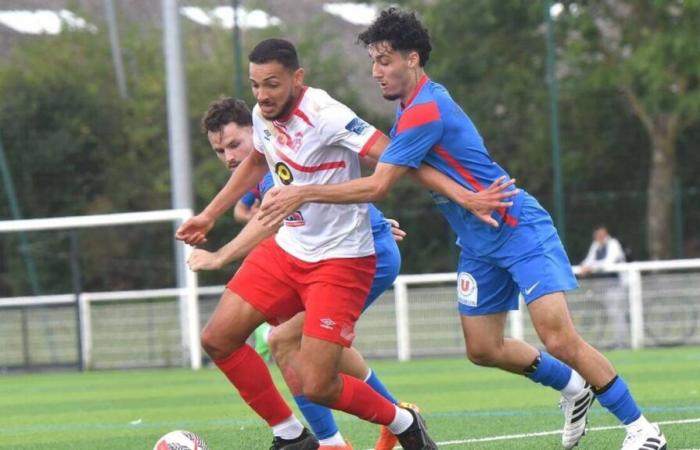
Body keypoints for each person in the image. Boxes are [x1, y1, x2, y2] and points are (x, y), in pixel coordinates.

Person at [258, 9, 667, 450]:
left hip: (515, 227)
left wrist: (303, 193)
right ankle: (572, 388)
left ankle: (643, 429)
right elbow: (410, 174)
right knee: (483, 348)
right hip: (477, 241)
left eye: (385, 60)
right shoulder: (410, 112)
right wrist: (457, 199)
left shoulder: (424, 111)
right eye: (373, 61)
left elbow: (380, 184)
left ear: (412, 59)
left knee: (559, 337)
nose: (376, 72)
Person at [176, 38, 512, 449]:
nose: (262, 96)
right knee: (219, 338)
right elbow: (258, 159)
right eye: (255, 85)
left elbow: (395, 157)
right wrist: (210, 214)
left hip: (341, 262)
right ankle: (291, 436)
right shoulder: (262, 117)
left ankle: (402, 421)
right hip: (289, 250)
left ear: (297, 78)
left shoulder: (327, 114)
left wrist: (463, 195)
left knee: (317, 382)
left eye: (272, 84)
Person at [187, 96, 411, 450]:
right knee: (306, 347)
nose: (229, 156)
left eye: (234, 144)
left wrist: (219, 256)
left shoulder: (276, 154)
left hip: (361, 256)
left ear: (255, 132)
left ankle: (336, 440)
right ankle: (393, 419)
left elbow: (272, 219)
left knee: (284, 341)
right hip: (325, 256)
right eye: (219, 150)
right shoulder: (263, 170)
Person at [580, 225, 629, 348]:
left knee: (617, 313)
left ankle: (622, 342)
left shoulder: (613, 244)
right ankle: (614, 341)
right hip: (603, 286)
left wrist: (590, 267)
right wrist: (584, 266)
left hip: (617, 285)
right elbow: (588, 261)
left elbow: (609, 262)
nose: (599, 237)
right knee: (605, 310)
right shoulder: (596, 246)